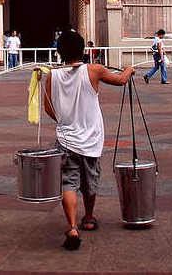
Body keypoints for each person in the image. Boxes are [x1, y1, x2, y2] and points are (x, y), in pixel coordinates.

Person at [44, 31, 135, 251]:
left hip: (65, 139)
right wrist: (130, 70)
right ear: (83, 50)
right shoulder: (94, 70)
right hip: (91, 139)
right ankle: (90, 217)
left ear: (59, 52)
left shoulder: (51, 76)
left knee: (68, 182)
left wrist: (65, 121)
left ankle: (72, 227)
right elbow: (121, 80)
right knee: (90, 180)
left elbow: (48, 107)